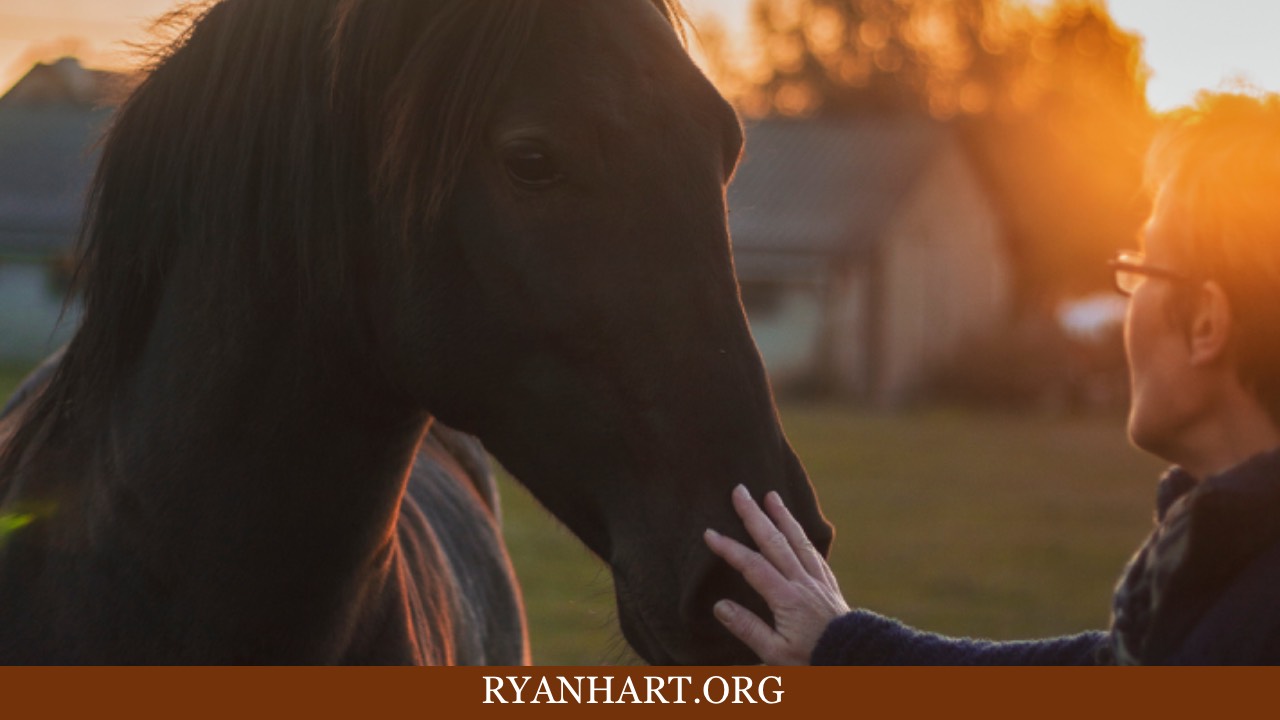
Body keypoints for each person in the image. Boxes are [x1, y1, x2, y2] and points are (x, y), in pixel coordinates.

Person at [705, 90, 1280, 665]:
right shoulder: (1223, 586)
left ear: (1206, 323)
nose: (1130, 304)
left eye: (1142, 267)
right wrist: (846, 647)